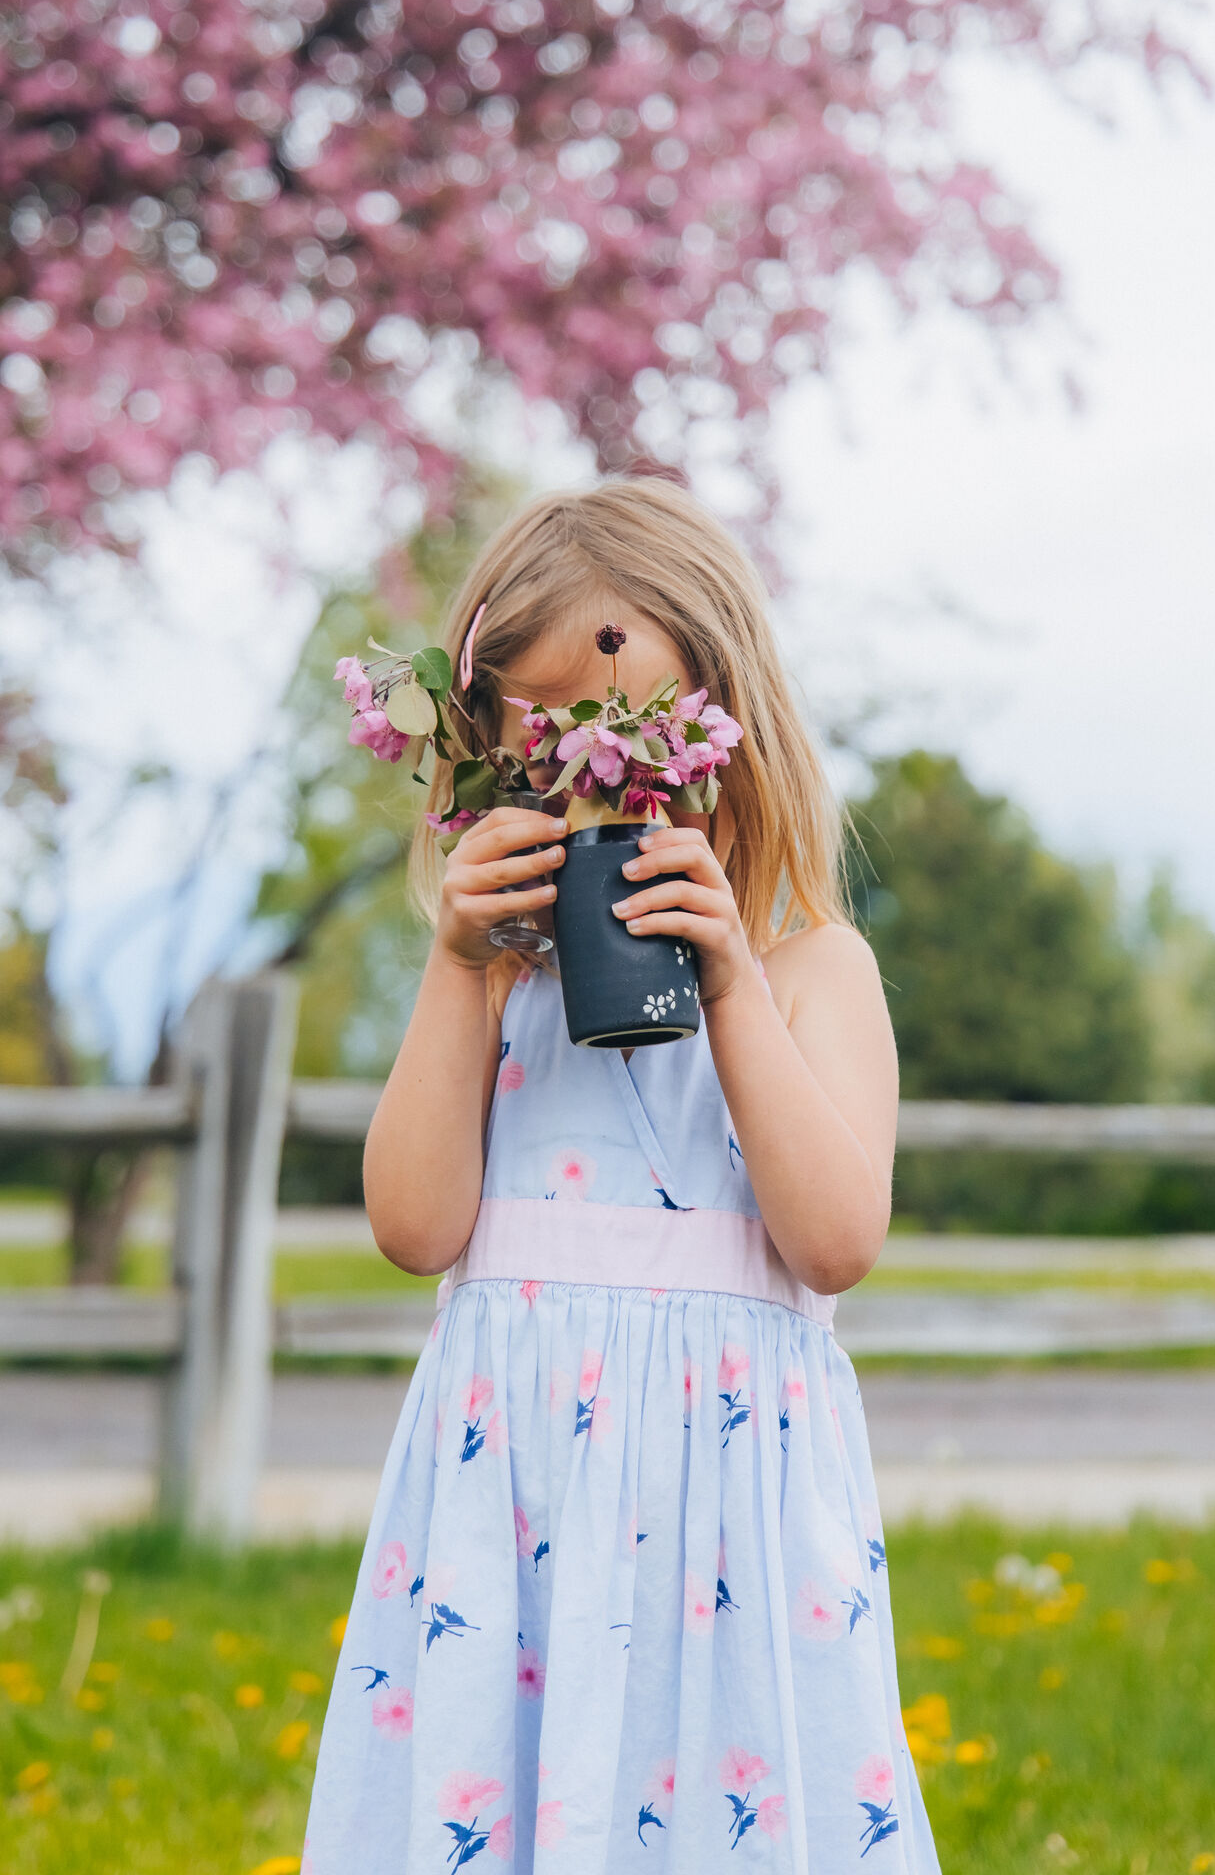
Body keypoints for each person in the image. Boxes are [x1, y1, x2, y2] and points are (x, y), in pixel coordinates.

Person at [302, 480, 936, 1873]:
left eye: (641, 749)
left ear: (730, 730)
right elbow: (414, 1230)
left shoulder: (813, 973)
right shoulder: (494, 991)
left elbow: (834, 1244)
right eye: (548, 747)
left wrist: (728, 987)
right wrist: (461, 964)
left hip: (735, 1537)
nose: (597, 787)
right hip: (510, 1516)